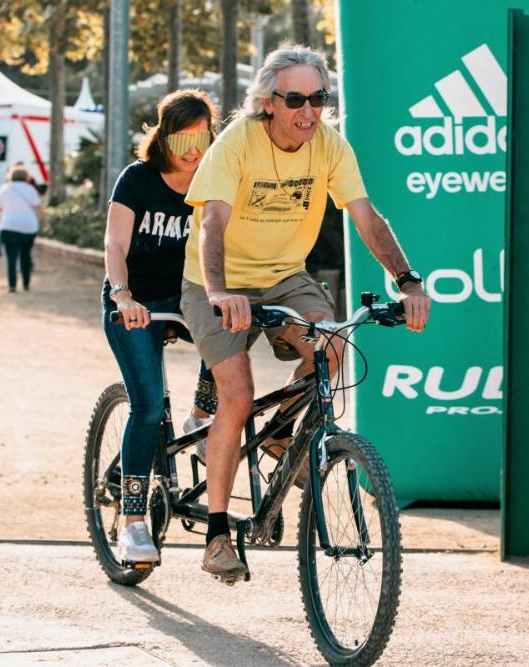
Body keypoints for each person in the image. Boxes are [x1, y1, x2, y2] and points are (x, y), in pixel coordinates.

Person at [180, 45, 431, 581]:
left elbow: (366, 218)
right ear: (268, 102)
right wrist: (220, 291)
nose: (309, 110)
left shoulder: (330, 146)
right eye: (296, 99)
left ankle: (279, 432)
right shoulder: (237, 144)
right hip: (214, 280)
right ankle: (218, 535)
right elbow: (213, 224)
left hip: (284, 275)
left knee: (334, 344)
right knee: (236, 396)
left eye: (319, 98)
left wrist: (407, 280)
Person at [103, 89, 220, 563]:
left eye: (201, 139)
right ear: (163, 137)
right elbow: (114, 244)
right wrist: (122, 295)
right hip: (134, 301)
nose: (193, 151)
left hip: (185, 299)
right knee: (148, 407)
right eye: (182, 139)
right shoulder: (138, 179)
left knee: (232, 325)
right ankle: (133, 523)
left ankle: (201, 416)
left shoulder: (213, 179)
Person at [0, 165, 44, 293]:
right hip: (28, 227)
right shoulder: (31, 189)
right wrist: (43, 221)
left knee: (11, 257)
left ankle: (12, 285)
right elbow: (38, 208)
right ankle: (26, 284)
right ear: (26, 176)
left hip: (9, 226)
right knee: (25, 255)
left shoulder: (4, 189)